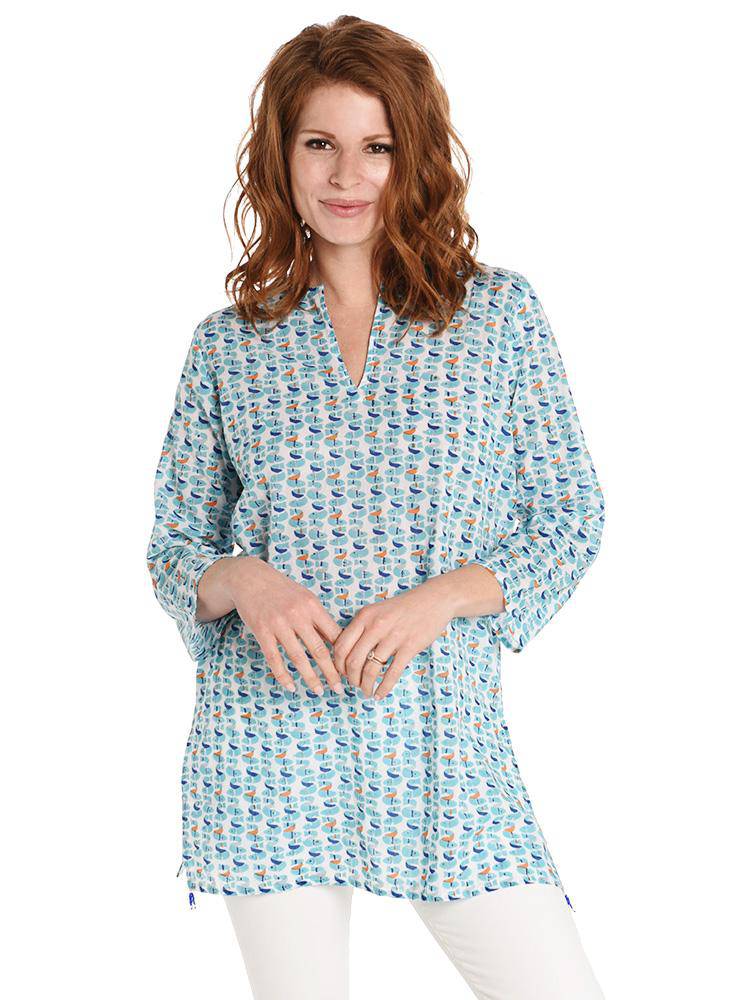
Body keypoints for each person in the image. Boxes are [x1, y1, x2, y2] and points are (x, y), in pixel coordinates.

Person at [146, 15, 607, 1000]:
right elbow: (174, 544)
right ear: (282, 157)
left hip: (444, 737)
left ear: (415, 158)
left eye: (378, 146)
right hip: (269, 742)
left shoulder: (497, 316)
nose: (347, 175)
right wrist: (245, 580)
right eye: (320, 143)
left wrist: (442, 598)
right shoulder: (230, 345)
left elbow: (569, 515)